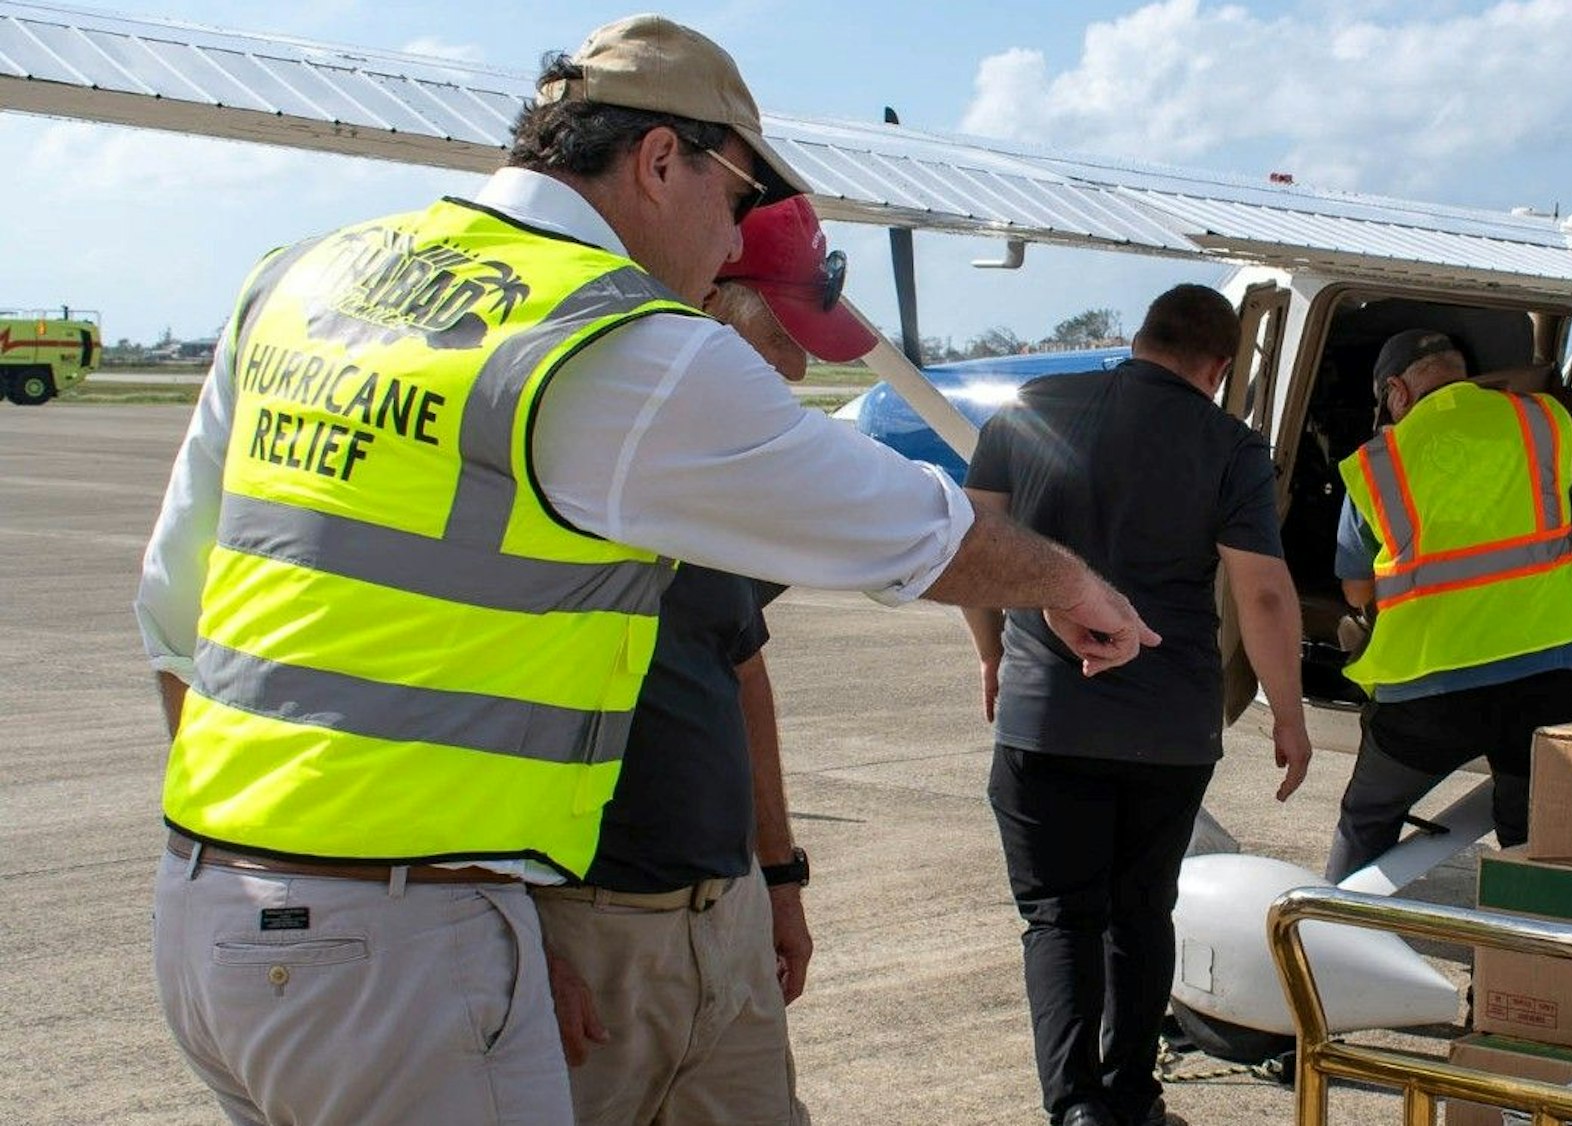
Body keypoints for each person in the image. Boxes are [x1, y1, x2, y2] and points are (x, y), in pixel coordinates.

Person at [133, 16, 1157, 1126]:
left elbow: (172, 615)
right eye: (732, 201)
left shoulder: (301, 278)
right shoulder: (608, 335)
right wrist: (1067, 582)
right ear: (660, 158)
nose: (728, 246)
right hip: (396, 942)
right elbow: (907, 530)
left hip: (212, 916)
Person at [536, 196, 866, 1126]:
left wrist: (779, 881)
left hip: (723, 915)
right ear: (709, 303)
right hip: (587, 929)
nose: (796, 370)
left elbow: (741, 673)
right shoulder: (566, 449)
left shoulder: (711, 480)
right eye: (778, 341)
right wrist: (519, 938)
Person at [962, 284, 1312, 1126]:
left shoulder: (1030, 411)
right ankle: (1133, 1094)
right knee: (1141, 910)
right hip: (1170, 726)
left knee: (1058, 919)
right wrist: (1290, 716)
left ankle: (1076, 1107)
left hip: (1046, 715)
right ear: (1220, 368)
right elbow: (1261, 594)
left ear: (1140, 338)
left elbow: (970, 542)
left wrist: (990, 655)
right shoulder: (1231, 446)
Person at [1322, 329, 1572, 883]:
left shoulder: (1378, 463)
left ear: (1396, 389)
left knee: (1369, 816)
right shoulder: (1544, 423)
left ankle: (1331, 942)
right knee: (1530, 832)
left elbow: (1356, 591)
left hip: (1427, 690)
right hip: (1545, 677)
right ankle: (1528, 963)